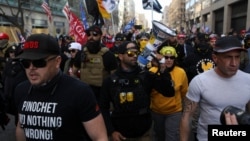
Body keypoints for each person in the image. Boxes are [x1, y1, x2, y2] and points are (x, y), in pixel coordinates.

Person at [14, 33, 108, 141]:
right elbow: (21, 128)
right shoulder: (21, 90)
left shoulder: (79, 91)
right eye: (25, 63)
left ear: (57, 61)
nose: (31, 68)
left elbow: (100, 137)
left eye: (39, 62)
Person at [99, 41, 175, 141]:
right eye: (130, 53)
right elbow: (103, 108)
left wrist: (163, 69)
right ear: (121, 56)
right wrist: (111, 131)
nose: (134, 56)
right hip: (120, 135)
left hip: (144, 133)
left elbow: (169, 92)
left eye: (136, 53)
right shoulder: (110, 81)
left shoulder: (146, 76)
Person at [180, 36, 250, 141]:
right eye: (228, 57)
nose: (234, 63)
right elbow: (187, 117)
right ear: (215, 58)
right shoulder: (199, 81)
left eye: (237, 57)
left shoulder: (248, 80)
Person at [150, 46, 188, 141]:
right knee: (159, 137)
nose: (169, 60)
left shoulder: (181, 72)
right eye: (166, 57)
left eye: (172, 58)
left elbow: (184, 92)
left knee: (172, 137)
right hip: (156, 111)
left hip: (174, 112)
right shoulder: (152, 72)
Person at [81, 25, 118, 104]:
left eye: (94, 34)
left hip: (102, 97)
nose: (91, 37)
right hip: (85, 95)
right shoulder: (82, 53)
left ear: (100, 36)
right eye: (88, 34)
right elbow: (73, 72)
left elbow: (114, 78)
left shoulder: (108, 55)